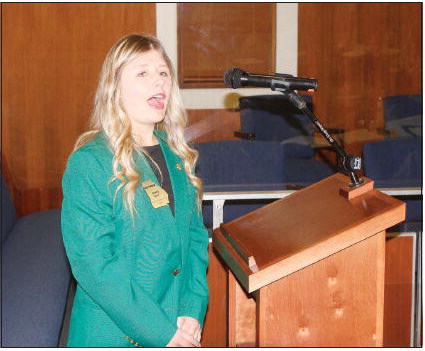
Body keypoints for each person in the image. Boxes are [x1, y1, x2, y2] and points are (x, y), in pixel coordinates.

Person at [61, 33, 209, 347]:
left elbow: (196, 238)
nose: (159, 83)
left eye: (163, 73)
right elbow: (95, 267)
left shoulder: (177, 156)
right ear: (115, 88)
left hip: (178, 325)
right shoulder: (90, 162)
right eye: (143, 73)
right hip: (116, 333)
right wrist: (163, 333)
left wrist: (193, 308)